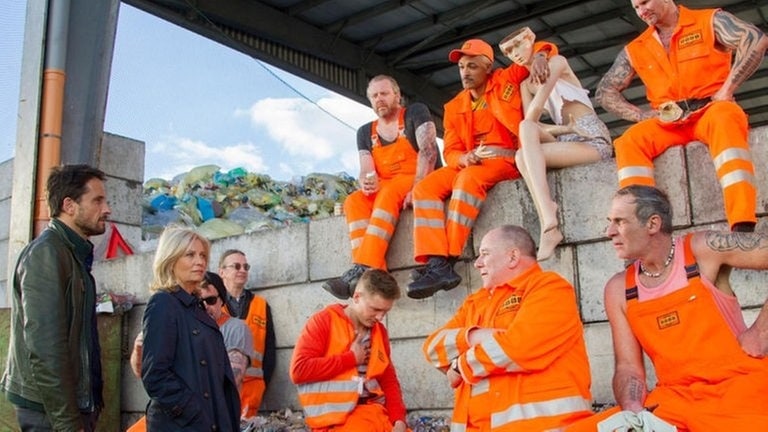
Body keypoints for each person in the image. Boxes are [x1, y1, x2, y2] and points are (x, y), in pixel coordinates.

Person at [568, 185, 768, 431]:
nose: (609, 232)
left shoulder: (703, 250)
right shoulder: (619, 289)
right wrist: (632, 409)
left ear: (652, 224)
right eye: (609, 222)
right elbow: (628, 367)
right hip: (676, 399)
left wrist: (760, 331)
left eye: (619, 222)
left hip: (738, 387)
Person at [596, 0, 768, 232]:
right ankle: (639, 230)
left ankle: (741, 223)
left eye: (645, 2)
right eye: (636, 7)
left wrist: (727, 89)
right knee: (629, 141)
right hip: (667, 121)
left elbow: (756, 39)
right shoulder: (637, 47)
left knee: (726, 118)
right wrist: (640, 116)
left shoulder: (708, 20)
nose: (641, 11)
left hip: (710, 109)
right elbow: (605, 92)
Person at [407, 38, 556, 299]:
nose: (465, 72)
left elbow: (538, 48)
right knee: (425, 188)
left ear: (488, 67)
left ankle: (450, 258)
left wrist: (542, 56)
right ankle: (435, 263)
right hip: (471, 160)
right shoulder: (453, 107)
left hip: (505, 160)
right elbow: (451, 150)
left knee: (467, 180)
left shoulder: (506, 79)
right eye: (462, 67)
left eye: (472, 66)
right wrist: (464, 158)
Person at [423, 225, 593, 431]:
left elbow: (521, 348)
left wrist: (460, 366)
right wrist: (476, 336)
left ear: (512, 257)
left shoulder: (550, 287)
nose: (477, 263)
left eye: (485, 254)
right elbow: (432, 347)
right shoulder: (475, 302)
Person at [1, 165, 110, 431]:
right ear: (69, 205)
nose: (107, 209)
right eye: (98, 200)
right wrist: (67, 423)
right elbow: (45, 347)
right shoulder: (47, 254)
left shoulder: (72, 254)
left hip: (67, 407)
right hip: (49, 411)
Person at [498, 27, 613, 261]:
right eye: (508, 51)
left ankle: (548, 219)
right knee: (521, 153)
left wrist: (542, 56)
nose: (515, 54)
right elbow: (532, 125)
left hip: (590, 135)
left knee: (526, 130)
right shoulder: (524, 86)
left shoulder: (557, 62)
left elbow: (536, 110)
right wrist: (565, 129)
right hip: (567, 135)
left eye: (518, 45)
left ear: (531, 39)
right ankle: (548, 221)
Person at [322, 74, 440, 299]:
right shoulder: (365, 132)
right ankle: (376, 272)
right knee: (354, 200)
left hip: (419, 176)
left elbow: (429, 151)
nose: (380, 99)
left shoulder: (415, 112)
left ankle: (364, 266)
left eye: (384, 93)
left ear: (397, 95)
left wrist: (418, 186)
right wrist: (365, 181)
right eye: (374, 96)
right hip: (387, 183)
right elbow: (366, 167)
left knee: (388, 192)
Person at [140, 226, 240, 431]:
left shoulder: (196, 307)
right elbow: (155, 375)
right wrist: (194, 413)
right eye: (190, 255)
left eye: (203, 255)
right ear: (171, 259)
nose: (200, 261)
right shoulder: (163, 303)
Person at [127, 271, 253, 432]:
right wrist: (140, 352)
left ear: (222, 301)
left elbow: (228, 380)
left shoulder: (234, 328)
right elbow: (148, 374)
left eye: (211, 300)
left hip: (214, 412)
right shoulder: (174, 317)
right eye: (200, 301)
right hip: (177, 412)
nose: (206, 306)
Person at [290, 269, 408, 432]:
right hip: (336, 421)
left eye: (385, 311)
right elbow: (299, 370)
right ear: (357, 297)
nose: (380, 317)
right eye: (375, 309)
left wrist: (399, 420)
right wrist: (350, 358)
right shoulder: (324, 321)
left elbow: (388, 379)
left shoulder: (379, 331)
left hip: (376, 415)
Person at [218, 249, 276, 417]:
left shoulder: (261, 305)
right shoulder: (212, 304)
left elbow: (270, 351)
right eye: (236, 266)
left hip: (252, 389)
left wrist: (263, 383)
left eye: (246, 266)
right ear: (222, 272)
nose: (242, 270)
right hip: (220, 386)